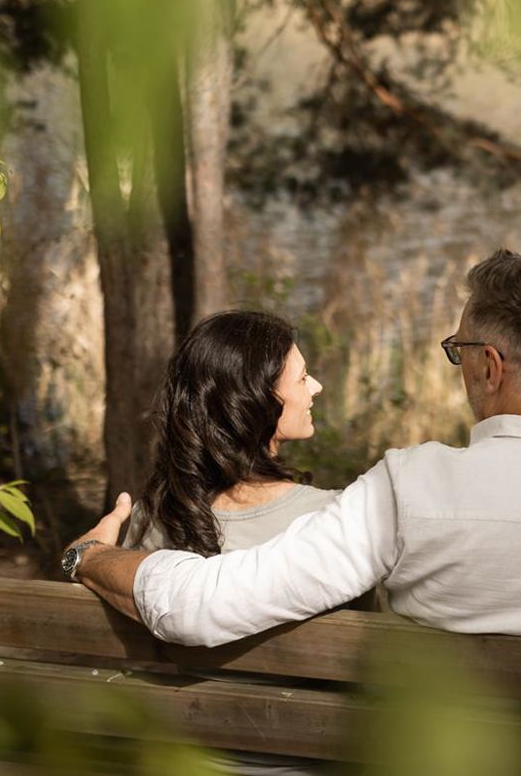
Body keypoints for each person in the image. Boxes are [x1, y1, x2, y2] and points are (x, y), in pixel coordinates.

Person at [61, 250, 521, 728]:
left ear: (488, 365)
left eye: (459, 351)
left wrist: (88, 557)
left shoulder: (412, 486)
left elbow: (201, 606)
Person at [122, 309, 341, 776]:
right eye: (303, 378)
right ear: (258, 400)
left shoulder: (152, 517)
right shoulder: (337, 520)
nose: (317, 387)